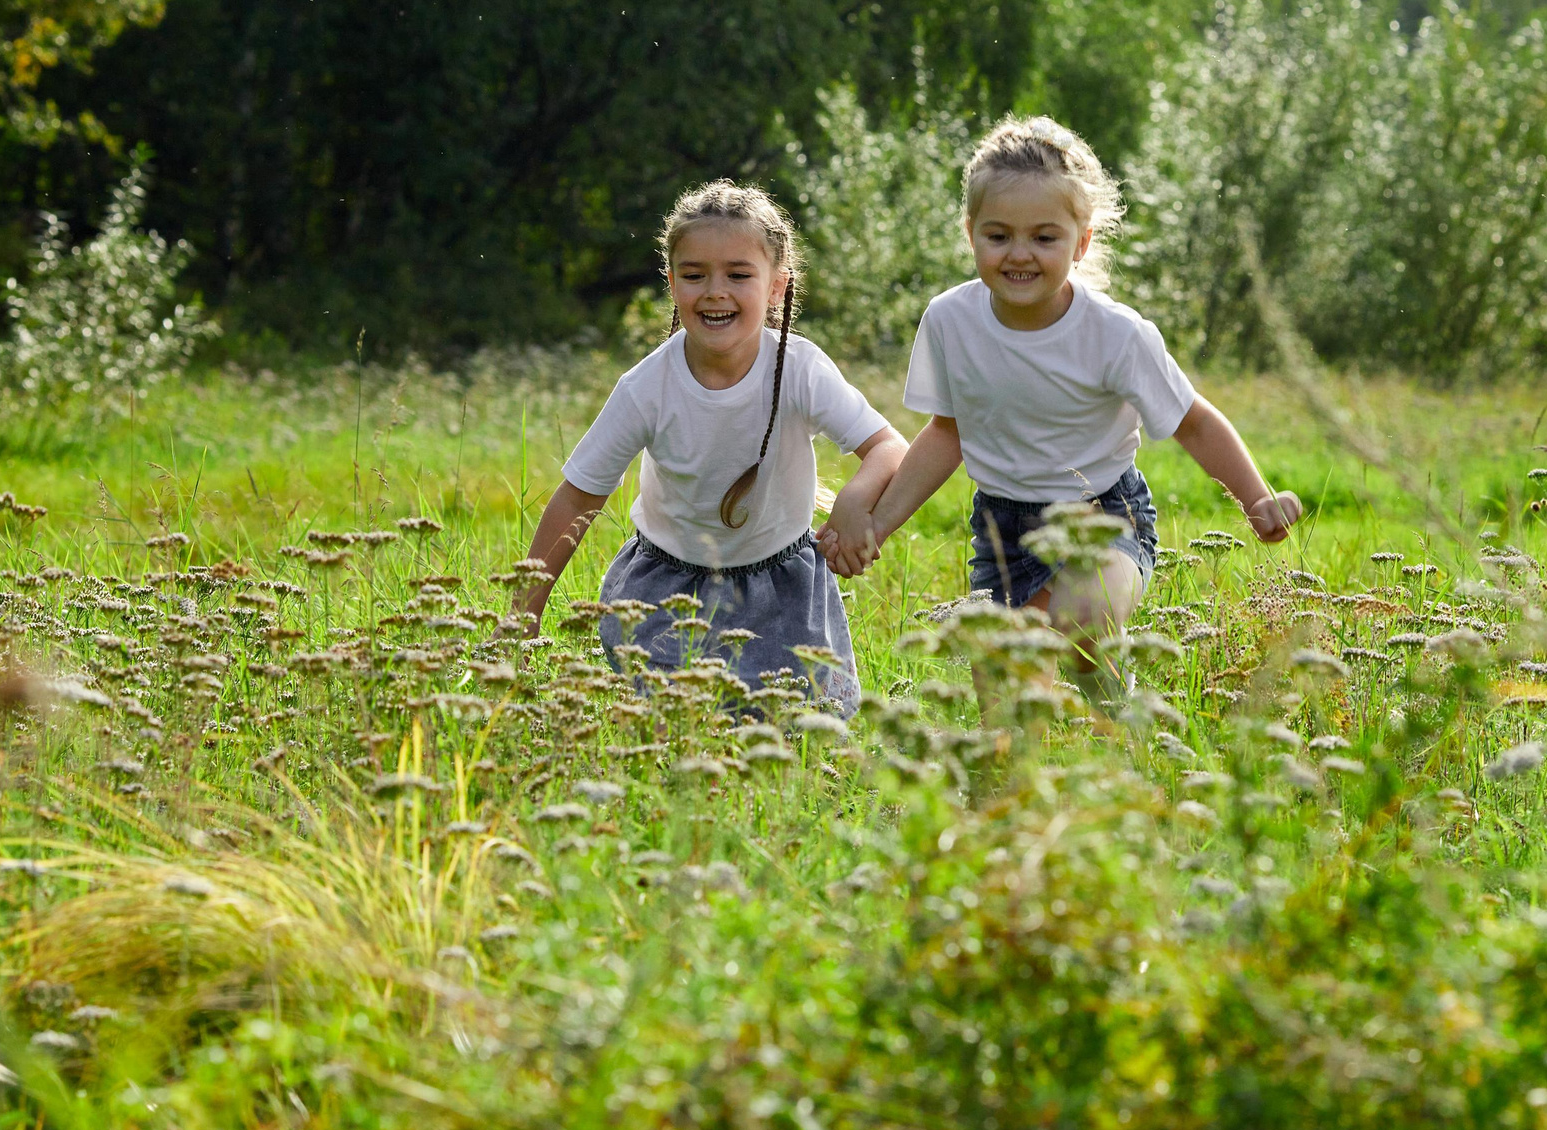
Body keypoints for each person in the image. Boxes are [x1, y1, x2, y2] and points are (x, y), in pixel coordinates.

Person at [853, 116, 1301, 701]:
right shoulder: (949, 320)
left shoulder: (1114, 334)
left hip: (1105, 517)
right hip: (1003, 533)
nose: (1019, 254)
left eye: (1045, 238)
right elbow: (946, 433)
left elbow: (1192, 421)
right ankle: (1097, 733)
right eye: (998, 236)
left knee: (1074, 622)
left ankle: (1111, 708)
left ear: (1081, 242)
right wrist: (878, 525)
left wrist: (1257, 499)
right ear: (970, 234)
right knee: (1008, 699)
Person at [513, 182, 905, 713]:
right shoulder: (646, 388)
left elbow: (888, 447)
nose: (715, 291)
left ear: (776, 286)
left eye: (738, 275)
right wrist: (523, 614)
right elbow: (578, 497)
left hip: (783, 590)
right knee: (681, 733)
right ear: (672, 283)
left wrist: (854, 502)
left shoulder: (800, 369)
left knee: (796, 736)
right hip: (666, 591)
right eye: (695, 275)